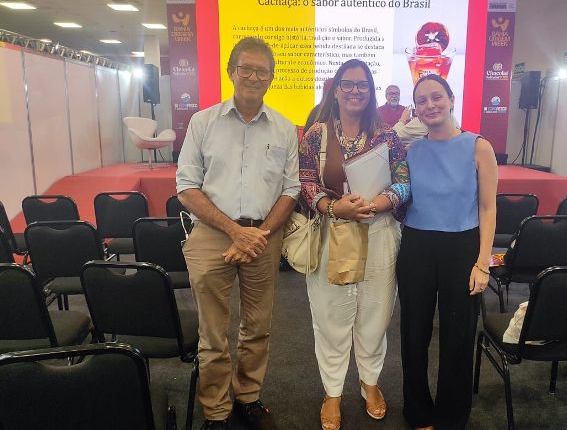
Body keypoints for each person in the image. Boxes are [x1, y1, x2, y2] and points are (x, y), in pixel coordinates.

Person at [177, 37, 300, 430]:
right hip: (213, 233)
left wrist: (257, 234)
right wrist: (234, 231)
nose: (253, 76)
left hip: (264, 236)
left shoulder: (284, 128)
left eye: (262, 71)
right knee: (212, 332)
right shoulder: (203, 122)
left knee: (258, 326)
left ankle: (248, 396)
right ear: (231, 71)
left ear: (271, 78)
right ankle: (216, 410)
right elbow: (186, 187)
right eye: (246, 68)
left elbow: (291, 190)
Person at [299, 59, 410, 430]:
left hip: (379, 232)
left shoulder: (387, 135)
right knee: (330, 315)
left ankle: (370, 382)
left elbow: (404, 181)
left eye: (362, 85)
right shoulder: (316, 134)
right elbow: (304, 181)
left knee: (376, 313)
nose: (355, 91)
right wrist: (334, 207)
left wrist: (376, 204)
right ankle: (332, 392)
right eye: (347, 84)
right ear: (336, 90)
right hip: (332, 232)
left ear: (371, 91)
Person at [396, 74, 497, 430]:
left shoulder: (478, 146)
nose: (430, 105)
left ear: (452, 99)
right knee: (413, 333)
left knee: (458, 335)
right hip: (416, 247)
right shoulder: (412, 151)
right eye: (421, 100)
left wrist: (483, 262)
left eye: (436, 96)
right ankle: (417, 410)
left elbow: (488, 208)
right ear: (415, 109)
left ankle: (452, 416)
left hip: (462, 248)